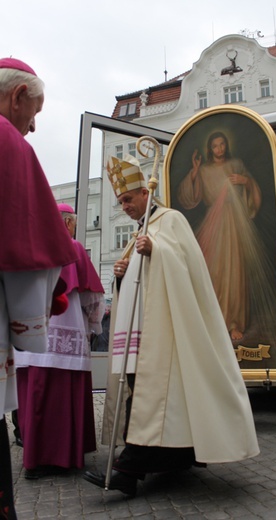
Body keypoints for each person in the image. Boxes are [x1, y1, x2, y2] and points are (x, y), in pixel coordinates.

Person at [83, 156, 259, 497]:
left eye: (128, 199)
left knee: (155, 398)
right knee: (155, 396)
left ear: (145, 193)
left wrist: (158, 251)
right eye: (120, 202)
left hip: (169, 332)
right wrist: (121, 276)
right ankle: (173, 459)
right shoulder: (140, 232)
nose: (125, 206)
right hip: (143, 332)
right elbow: (139, 284)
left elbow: (188, 268)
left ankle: (126, 471)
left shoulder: (171, 220)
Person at [0, 58, 77, 519]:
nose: (34, 127)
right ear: (17, 97)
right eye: (36, 113)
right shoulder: (9, 143)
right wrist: (32, 325)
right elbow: (30, 254)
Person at [15, 204, 105, 479]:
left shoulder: (29, 246)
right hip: (66, 326)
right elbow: (93, 298)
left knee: (34, 393)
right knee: (62, 396)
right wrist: (91, 323)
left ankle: (35, 457)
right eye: (74, 223)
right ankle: (63, 456)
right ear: (67, 223)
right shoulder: (73, 247)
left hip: (30, 333)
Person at [177, 131, 262, 341]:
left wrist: (245, 181)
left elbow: (252, 187)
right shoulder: (204, 170)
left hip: (234, 222)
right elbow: (190, 198)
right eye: (215, 146)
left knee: (235, 271)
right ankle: (214, 322)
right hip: (213, 224)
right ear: (210, 149)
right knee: (213, 270)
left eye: (222, 144)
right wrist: (195, 173)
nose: (219, 149)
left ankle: (234, 323)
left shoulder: (236, 164)